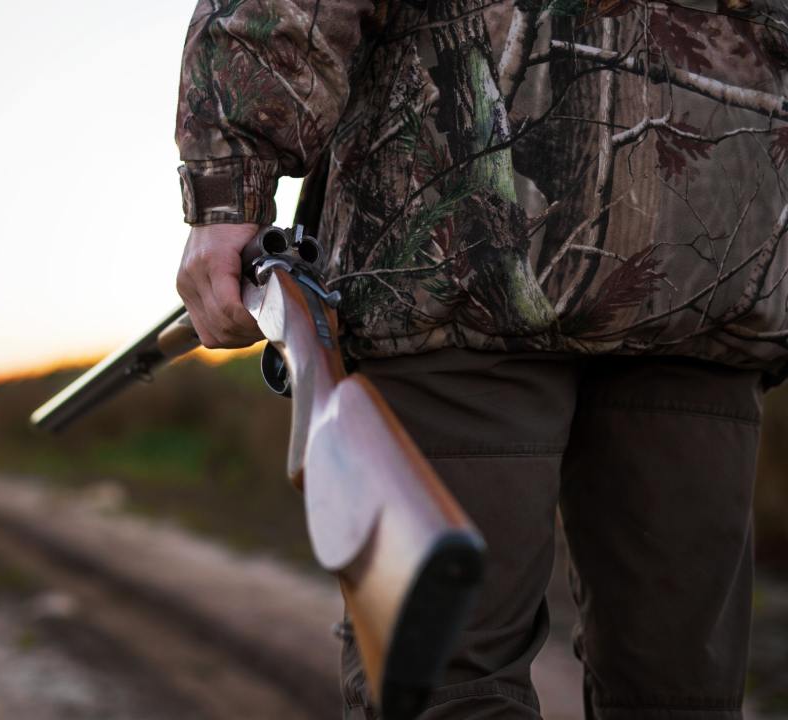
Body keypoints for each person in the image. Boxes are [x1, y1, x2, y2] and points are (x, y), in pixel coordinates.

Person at [171, 0, 788, 717]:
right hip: (721, 251)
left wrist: (227, 187)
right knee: (682, 696)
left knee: (445, 685)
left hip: (458, 253)